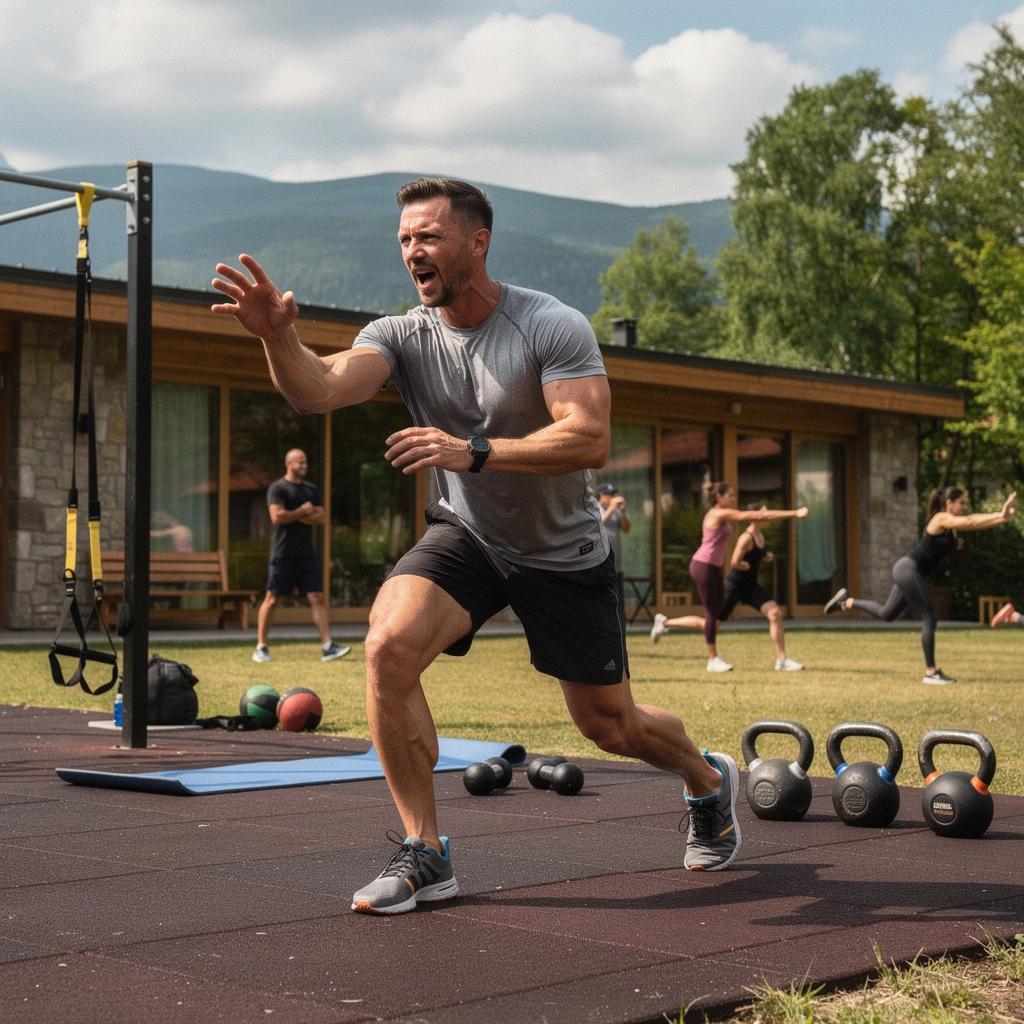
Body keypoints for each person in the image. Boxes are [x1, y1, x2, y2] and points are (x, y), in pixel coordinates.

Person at [211, 176, 742, 916]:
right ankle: (425, 851)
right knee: (388, 645)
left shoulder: (549, 325)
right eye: (403, 240)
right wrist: (279, 337)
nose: (411, 252)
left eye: (427, 237)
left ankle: (707, 778)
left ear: (477, 242)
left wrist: (476, 451)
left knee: (609, 726)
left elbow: (588, 435)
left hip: (562, 551)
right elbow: (320, 388)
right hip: (469, 535)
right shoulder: (401, 335)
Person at [824, 486, 1017, 684]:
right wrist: (1000, 514)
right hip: (908, 569)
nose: (964, 506)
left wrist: (1003, 519)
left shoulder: (951, 527)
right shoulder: (941, 518)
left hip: (907, 571)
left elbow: (969, 526)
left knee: (886, 614)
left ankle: (846, 602)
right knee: (929, 617)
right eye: (961, 503)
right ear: (949, 504)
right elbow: (970, 521)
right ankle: (931, 672)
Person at [650, 483, 808, 672]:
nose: (734, 499)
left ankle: (665, 623)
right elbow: (750, 516)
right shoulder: (717, 513)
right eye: (730, 495)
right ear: (719, 497)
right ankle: (711, 659)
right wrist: (794, 513)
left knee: (716, 620)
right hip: (704, 566)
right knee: (711, 619)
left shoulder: (726, 517)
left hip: (717, 569)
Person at [252, 448, 350, 664]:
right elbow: (276, 517)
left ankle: (327, 646)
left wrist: (297, 515)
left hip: (306, 553)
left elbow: (322, 517)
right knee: (273, 598)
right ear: (289, 463)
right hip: (283, 552)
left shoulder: (310, 489)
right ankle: (261, 646)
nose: (304, 466)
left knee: (317, 597)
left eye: (305, 462)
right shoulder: (277, 488)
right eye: (300, 462)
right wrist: (304, 512)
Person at [596, 483, 630, 631]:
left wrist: (622, 512)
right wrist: (611, 508)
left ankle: (620, 632)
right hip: (601, 565)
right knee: (602, 601)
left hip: (617, 566)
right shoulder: (595, 509)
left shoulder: (616, 511)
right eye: (609, 495)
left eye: (613, 494)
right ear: (601, 496)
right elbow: (599, 523)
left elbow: (627, 528)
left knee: (619, 603)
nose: (612, 498)